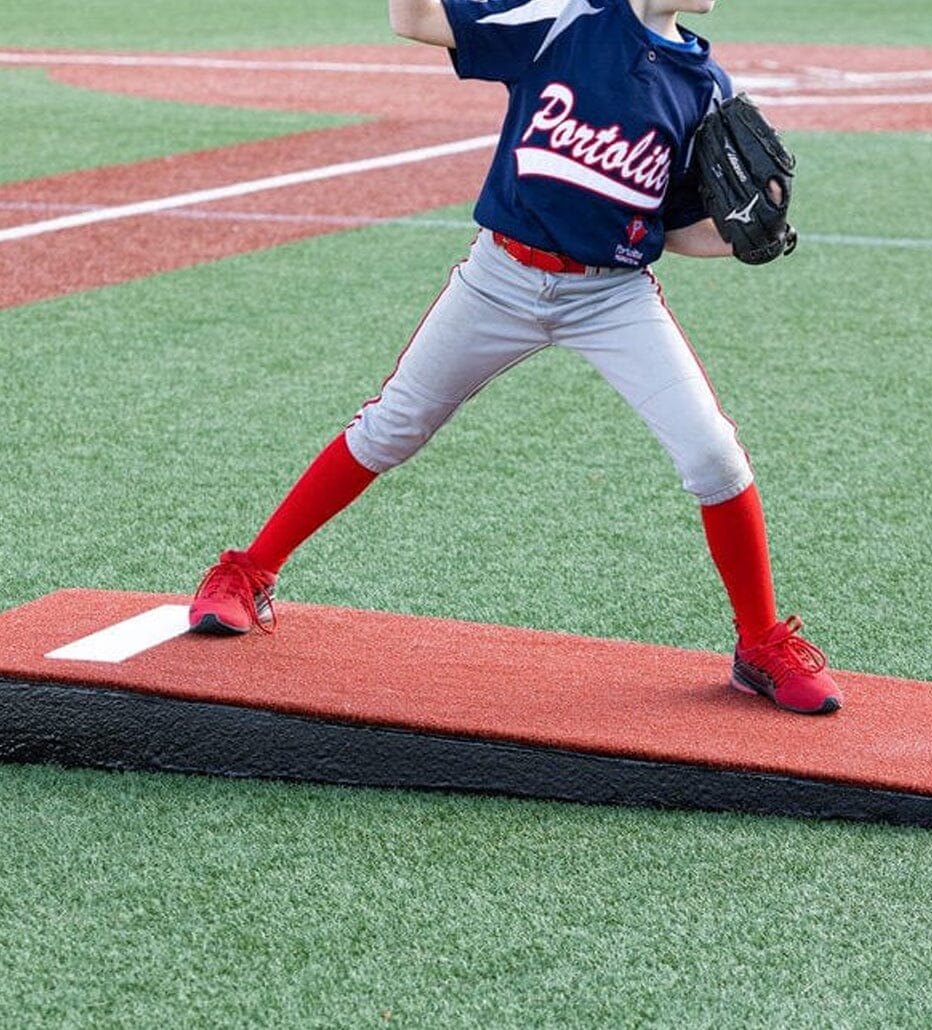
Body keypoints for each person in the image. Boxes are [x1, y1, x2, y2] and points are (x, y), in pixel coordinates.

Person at [188, 0, 843, 715]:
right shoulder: (562, 19)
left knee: (713, 454)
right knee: (391, 427)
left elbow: (672, 226)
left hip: (611, 296)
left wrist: (748, 234)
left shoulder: (705, 85)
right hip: (499, 278)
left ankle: (760, 643)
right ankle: (248, 572)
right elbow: (414, 21)